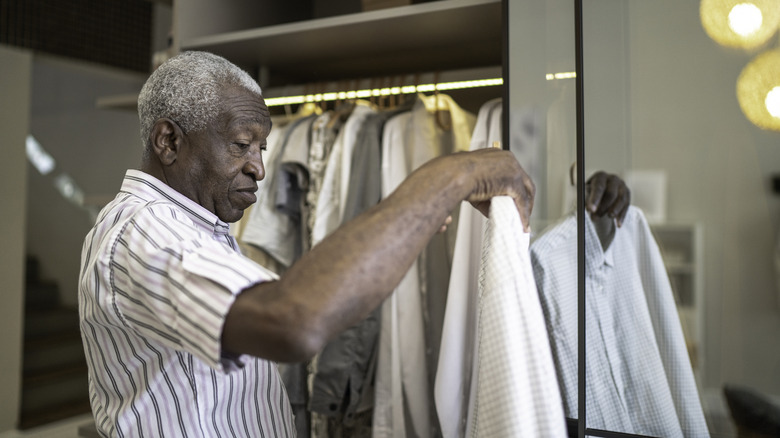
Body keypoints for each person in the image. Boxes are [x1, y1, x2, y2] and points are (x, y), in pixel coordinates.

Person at [78, 51, 628, 437]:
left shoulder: (196, 225)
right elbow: (293, 320)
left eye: (263, 147)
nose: (260, 168)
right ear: (169, 141)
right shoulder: (143, 233)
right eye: (242, 145)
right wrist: (451, 175)